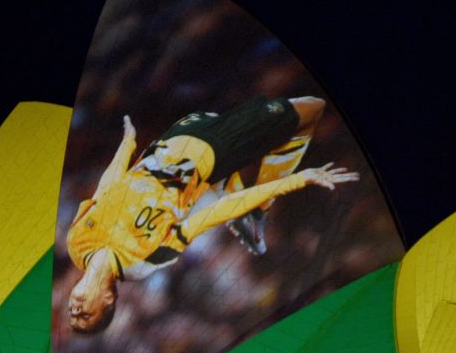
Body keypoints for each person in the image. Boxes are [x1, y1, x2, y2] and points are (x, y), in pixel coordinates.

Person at [66, 95, 358, 333]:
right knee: (312, 108)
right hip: (214, 151)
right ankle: (257, 209)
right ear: (108, 300)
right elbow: (212, 216)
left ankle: (243, 202)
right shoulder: (142, 263)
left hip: (172, 138)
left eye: (72, 314)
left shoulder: (76, 244)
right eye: (85, 317)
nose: (75, 311)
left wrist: (127, 143)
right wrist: (298, 180)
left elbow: (106, 188)